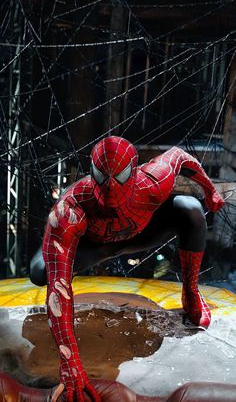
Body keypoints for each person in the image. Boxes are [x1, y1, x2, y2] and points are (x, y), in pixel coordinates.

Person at [30, 136, 225, 402]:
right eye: (102, 177)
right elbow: (58, 289)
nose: (110, 189)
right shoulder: (70, 208)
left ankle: (190, 292)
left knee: (190, 209)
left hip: (141, 233)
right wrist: (70, 364)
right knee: (42, 272)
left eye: (119, 177)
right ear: (92, 173)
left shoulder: (153, 180)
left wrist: (209, 190)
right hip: (92, 246)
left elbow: (182, 157)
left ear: (133, 171)